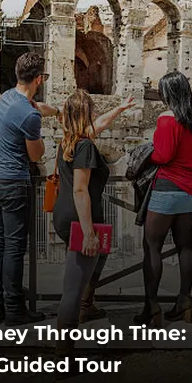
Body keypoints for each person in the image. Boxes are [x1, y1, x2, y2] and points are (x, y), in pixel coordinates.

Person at [52, 89, 135, 365]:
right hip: (79, 218)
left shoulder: (70, 140)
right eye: (93, 109)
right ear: (85, 114)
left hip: (65, 215)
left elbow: (97, 127)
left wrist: (120, 109)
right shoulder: (86, 147)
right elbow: (80, 190)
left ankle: (83, 312)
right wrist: (88, 233)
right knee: (73, 288)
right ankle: (63, 355)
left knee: (84, 273)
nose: (97, 113)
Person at [0, 51, 60, 326]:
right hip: (12, 183)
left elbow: (31, 109)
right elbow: (36, 155)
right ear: (39, 79)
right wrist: (41, 130)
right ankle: (15, 309)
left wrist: (52, 111)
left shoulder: (6, 98)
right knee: (14, 247)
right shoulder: (29, 116)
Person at [136, 71, 192, 326]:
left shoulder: (168, 119)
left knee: (152, 247)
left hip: (167, 188)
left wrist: (146, 152)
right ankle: (184, 301)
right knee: (185, 246)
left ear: (168, 94)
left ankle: (152, 308)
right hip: (191, 189)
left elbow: (163, 156)